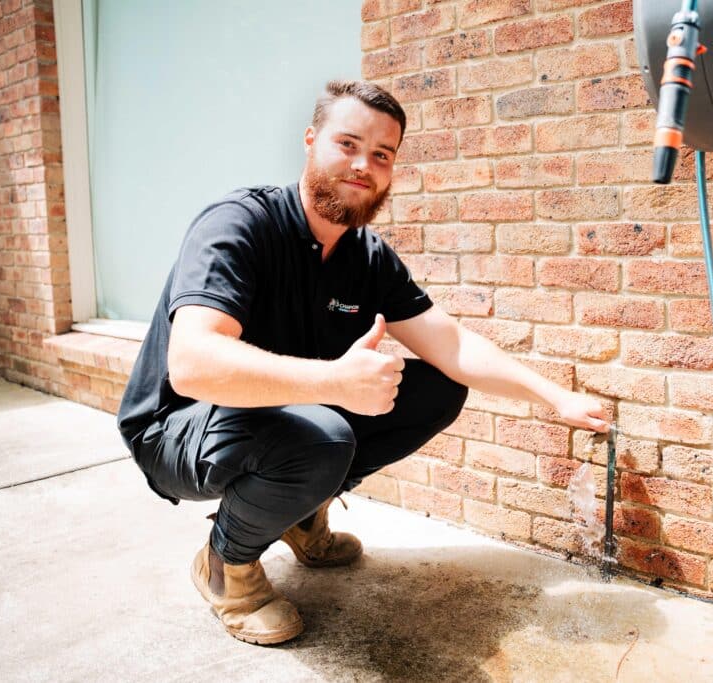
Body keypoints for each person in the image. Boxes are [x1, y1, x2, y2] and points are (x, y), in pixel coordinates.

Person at [117, 79, 609, 646]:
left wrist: (556, 398)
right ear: (310, 140)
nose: (362, 165)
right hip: (177, 428)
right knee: (323, 432)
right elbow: (194, 365)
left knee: (438, 387)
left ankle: (300, 516)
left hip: (281, 421)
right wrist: (333, 381)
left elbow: (450, 344)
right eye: (347, 144)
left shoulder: (367, 256)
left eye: (381, 154)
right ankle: (226, 564)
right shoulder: (239, 224)